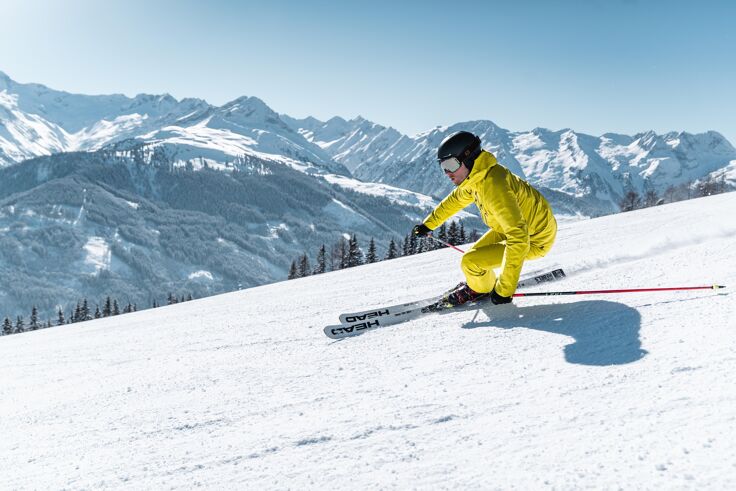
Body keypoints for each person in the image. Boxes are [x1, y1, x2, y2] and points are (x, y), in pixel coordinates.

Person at [412, 130, 557, 307]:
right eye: (443, 167)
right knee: (473, 257)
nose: (447, 173)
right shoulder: (477, 177)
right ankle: (479, 285)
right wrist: (428, 225)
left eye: (450, 164)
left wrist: (505, 289)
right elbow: (454, 201)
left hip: (535, 238)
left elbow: (519, 238)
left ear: (468, 157)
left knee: (470, 262)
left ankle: (479, 290)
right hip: (513, 228)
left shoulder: (493, 186)